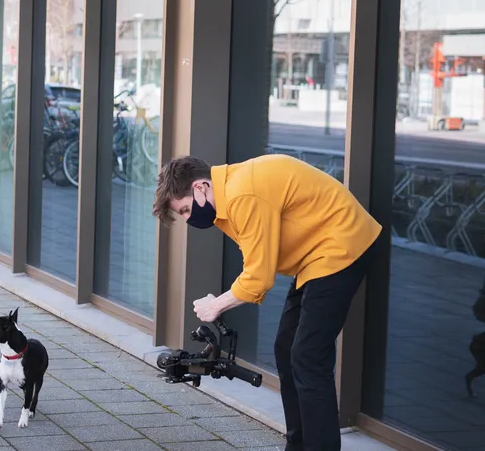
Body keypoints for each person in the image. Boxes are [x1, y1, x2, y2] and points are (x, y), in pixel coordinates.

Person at [152, 154, 382, 451]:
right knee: (287, 348)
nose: (188, 218)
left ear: (200, 188)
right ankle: (298, 445)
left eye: (184, 210)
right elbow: (259, 260)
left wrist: (217, 305)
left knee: (309, 356)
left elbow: (259, 277)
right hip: (314, 256)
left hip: (343, 245)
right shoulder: (226, 197)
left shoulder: (241, 194)